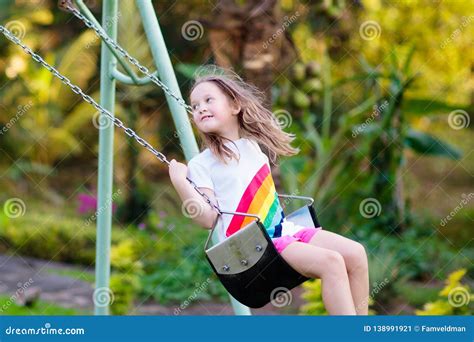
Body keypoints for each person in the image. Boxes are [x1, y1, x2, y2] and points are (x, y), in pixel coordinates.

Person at [168, 68, 369, 315]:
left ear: (234, 106)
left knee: (356, 254)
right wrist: (180, 182)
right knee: (332, 262)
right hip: (255, 245)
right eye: (195, 105)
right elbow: (207, 218)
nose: (200, 108)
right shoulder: (202, 163)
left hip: (283, 230)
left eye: (208, 100)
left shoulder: (253, 147)